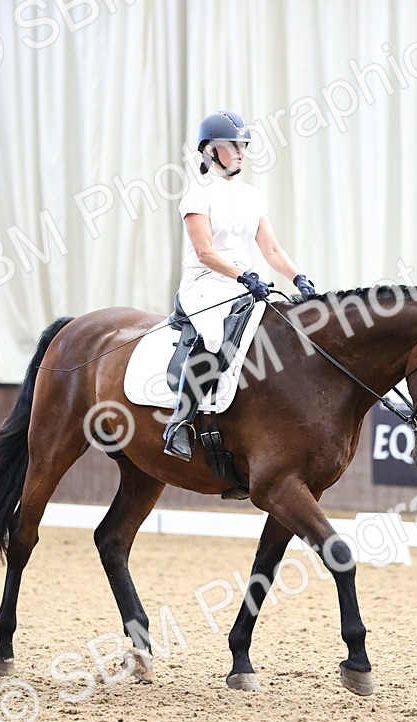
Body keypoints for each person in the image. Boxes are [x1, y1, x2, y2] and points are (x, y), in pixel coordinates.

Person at [163, 110, 318, 461]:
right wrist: (242, 275)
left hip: (243, 285)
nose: (240, 152)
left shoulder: (251, 196)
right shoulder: (198, 194)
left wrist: (299, 277)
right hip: (205, 284)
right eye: (232, 146)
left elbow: (271, 249)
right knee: (214, 336)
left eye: (243, 146)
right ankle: (179, 423)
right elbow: (204, 252)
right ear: (210, 150)